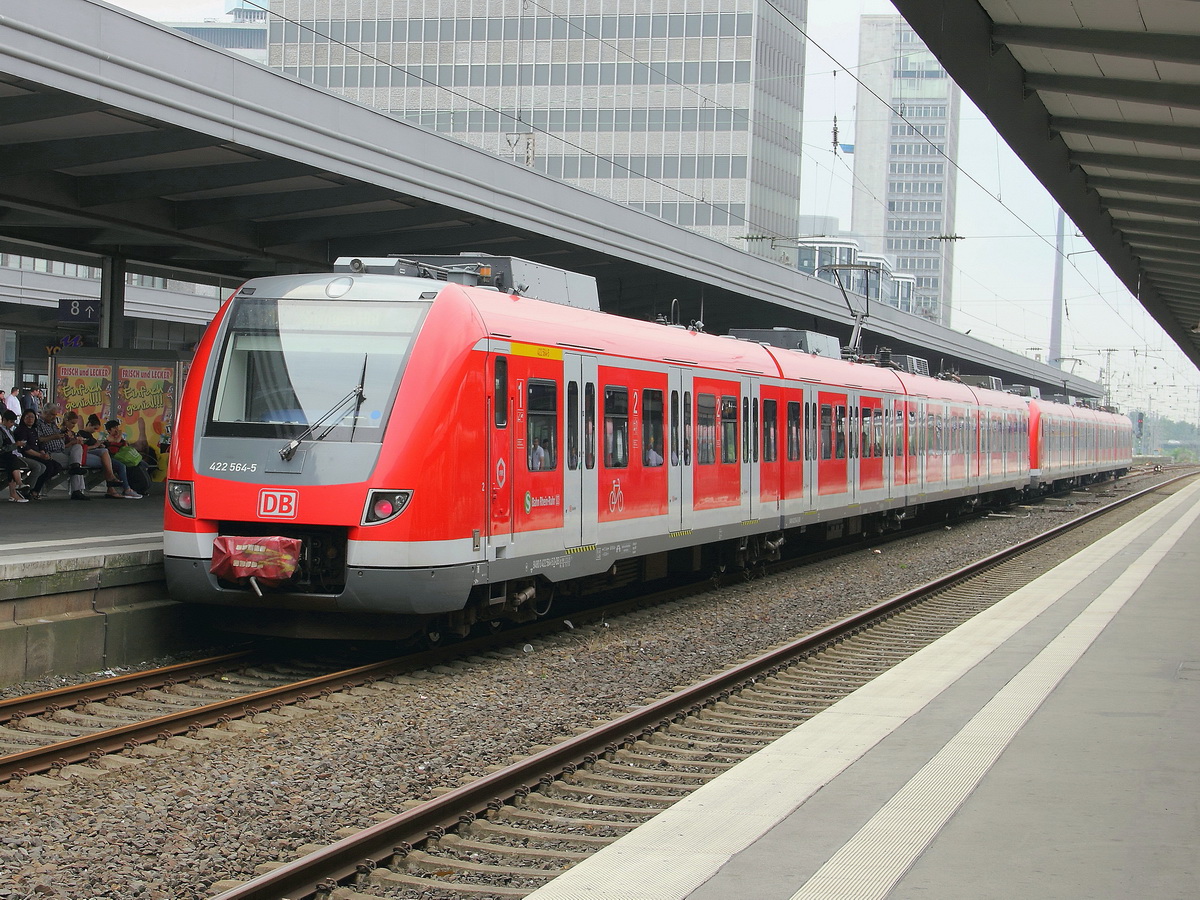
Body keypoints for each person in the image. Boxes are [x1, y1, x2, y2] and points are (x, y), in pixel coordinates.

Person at [64, 411, 139, 499]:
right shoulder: (80, 434)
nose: (95, 431)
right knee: (111, 463)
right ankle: (115, 484)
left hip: (94, 453)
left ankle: (113, 484)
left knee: (105, 453)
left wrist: (99, 445)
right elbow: (79, 448)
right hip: (82, 454)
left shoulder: (86, 435)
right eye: (95, 428)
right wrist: (95, 446)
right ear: (89, 424)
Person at [36, 403, 90, 500]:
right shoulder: (39, 424)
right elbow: (39, 439)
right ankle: (77, 490)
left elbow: (60, 437)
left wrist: (64, 434)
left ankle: (75, 467)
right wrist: (54, 436)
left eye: (55, 415)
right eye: (52, 414)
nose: (54, 417)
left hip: (62, 449)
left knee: (77, 447)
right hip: (50, 453)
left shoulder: (52, 424)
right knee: (75, 463)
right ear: (44, 412)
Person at [13, 408, 55, 499]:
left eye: (32, 417)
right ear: (23, 418)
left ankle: (32, 488)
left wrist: (42, 452)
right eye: (28, 417)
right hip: (26, 455)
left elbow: (39, 444)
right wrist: (40, 455)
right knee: (40, 466)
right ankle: (29, 489)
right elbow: (25, 448)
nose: (30, 419)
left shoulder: (33, 430)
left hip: (37, 453)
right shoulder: (21, 430)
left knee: (52, 466)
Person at [103, 419, 152, 496]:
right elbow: (116, 441)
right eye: (114, 428)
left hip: (126, 455)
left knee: (144, 464)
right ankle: (128, 487)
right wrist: (119, 434)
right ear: (109, 430)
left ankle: (143, 483)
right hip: (117, 457)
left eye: (117, 427)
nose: (116, 429)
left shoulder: (118, 437)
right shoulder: (109, 438)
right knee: (124, 467)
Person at [1, 408, 38, 502]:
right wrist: (16, 445)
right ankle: (19, 483)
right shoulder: (1, 432)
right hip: (5, 455)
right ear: (4, 420)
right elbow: (2, 449)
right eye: (10, 422)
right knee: (12, 460)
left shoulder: (9, 431)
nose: (12, 424)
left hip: (12, 456)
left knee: (12, 463)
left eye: (13, 422)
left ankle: (14, 493)